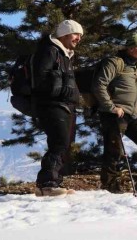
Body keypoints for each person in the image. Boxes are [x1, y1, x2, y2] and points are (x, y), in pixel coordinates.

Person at [92, 33, 137, 193]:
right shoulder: (115, 63)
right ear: (132, 48)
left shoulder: (136, 67)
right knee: (114, 149)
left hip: (133, 114)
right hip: (115, 114)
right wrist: (111, 107)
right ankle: (110, 184)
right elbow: (99, 85)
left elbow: (135, 90)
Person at [32, 20, 83, 197]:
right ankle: (47, 184)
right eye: (76, 34)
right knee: (59, 142)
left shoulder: (65, 54)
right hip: (52, 104)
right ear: (65, 33)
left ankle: (53, 182)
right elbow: (41, 79)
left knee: (63, 144)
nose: (79, 38)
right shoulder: (50, 51)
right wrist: (64, 91)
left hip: (63, 104)